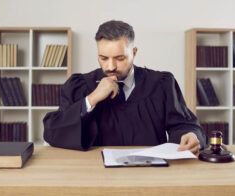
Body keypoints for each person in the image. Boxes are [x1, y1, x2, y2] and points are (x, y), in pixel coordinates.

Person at [43, 20, 208, 154]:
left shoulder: (161, 83)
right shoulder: (80, 86)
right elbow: (53, 132)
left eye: (120, 58)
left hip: (152, 173)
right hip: (97, 173)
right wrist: (92, 99)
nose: (111, 66)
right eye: (103, 58)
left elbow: (184, 124)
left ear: (134, 52)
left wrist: (191, 135)